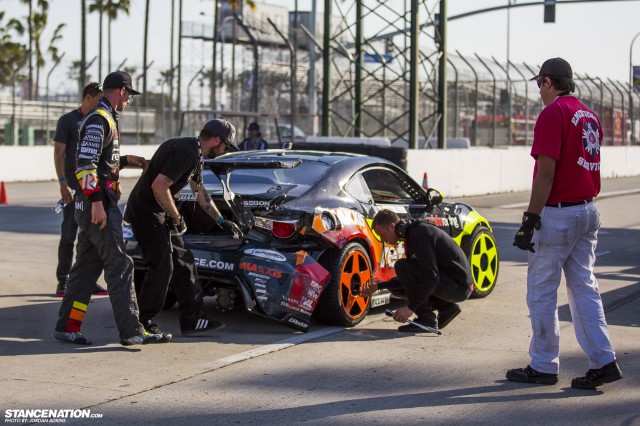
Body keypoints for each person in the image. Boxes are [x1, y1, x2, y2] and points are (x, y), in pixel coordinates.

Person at [508, 58, 622, 390]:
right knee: (584, 288)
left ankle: (543, 365)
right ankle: (604, 361)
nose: (538, 91)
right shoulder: (588, 114)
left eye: (538, 84)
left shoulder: (552, 114)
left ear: (547, 82)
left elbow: (547, 172)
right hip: (587, 210)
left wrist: (529, 219)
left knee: (541, 291)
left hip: (558, 214)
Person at [55, 70, 164, 346]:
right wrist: (95, 203)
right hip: (98, 206)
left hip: (95, 205)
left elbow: (103, 162)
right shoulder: (100, 118)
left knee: (85, 272)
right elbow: (85, 165)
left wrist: (127, 159)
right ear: (121, 92)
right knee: (120, 265)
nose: (129, 100)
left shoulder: (106, 118)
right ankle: (132, 330)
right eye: (129, 95)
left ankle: (68, 326)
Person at [124, 119, 243, 340]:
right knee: (162, 267)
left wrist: (221, 221)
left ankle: (192, 320)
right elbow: (159, 186)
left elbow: (200, 192)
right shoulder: (186, 152)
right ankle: (142, 322)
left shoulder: (195, 154)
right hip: (146, 213)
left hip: (160, 211)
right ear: (216, 140)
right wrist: (176, 216)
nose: (225, 149)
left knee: (185, 261)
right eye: (226, 145)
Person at [361, 209, 473, 332]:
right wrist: (379, 286)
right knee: (397, 286)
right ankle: (446, 307)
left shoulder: (419, 234)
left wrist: (410, 308)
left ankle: (427, 319)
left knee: (402, 266)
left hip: (459, 287)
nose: (383, 240)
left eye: (382, 234)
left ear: (392, 226)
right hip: (454, 284)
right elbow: (413, 280)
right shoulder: (413, 232)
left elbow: (432, 276)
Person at [53, 82, 108, 297]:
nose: (100, 104)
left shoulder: (99, 120)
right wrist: (62, 183)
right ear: (87, 98)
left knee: (90, 237)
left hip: (92, 190)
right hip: (73, 188)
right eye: (97, 100)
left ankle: (86, 280)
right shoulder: (68, 121)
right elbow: (59, 153)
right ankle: (62, 281)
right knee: (68, 235)